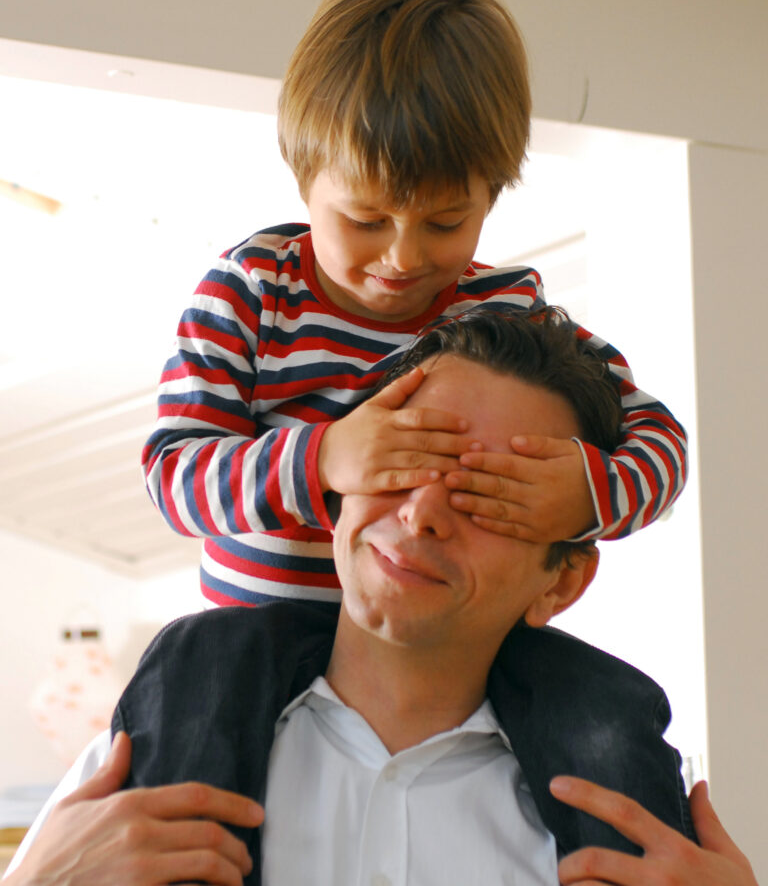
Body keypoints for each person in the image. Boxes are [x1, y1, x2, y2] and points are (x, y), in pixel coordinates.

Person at [6, 309, 755, 886]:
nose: (424, 509)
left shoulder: (636, 834)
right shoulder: (148, 759)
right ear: (339, 491)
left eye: (488, 494)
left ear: (560, 581)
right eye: (406, 457)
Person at [141, 0, 688, 609]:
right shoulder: (251, 296)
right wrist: (321, 459)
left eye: (446, 222)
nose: (403, 257)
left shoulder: (507, 313)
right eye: (366, 220)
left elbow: (659, 437)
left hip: (454, 640)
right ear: (304, 182)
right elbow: (175, 479)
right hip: (259, 644)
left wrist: (593, 492)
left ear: (493, 195)